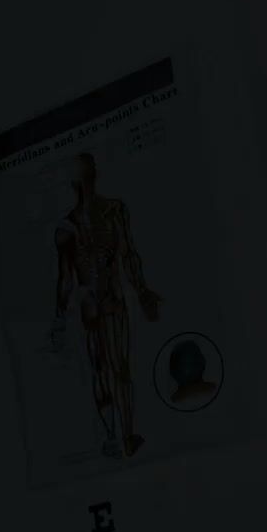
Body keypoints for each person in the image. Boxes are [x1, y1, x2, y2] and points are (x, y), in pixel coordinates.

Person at [48, 151, 163, 458]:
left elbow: (127, 256)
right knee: (108, 367)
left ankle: (120, 435)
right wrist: (59, 318)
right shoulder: (74, 225)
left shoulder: (110, 212)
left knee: (109, 367)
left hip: (104, 300)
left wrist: (142, 292)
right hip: (98, 302)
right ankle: (119, 435)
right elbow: (68, 277)